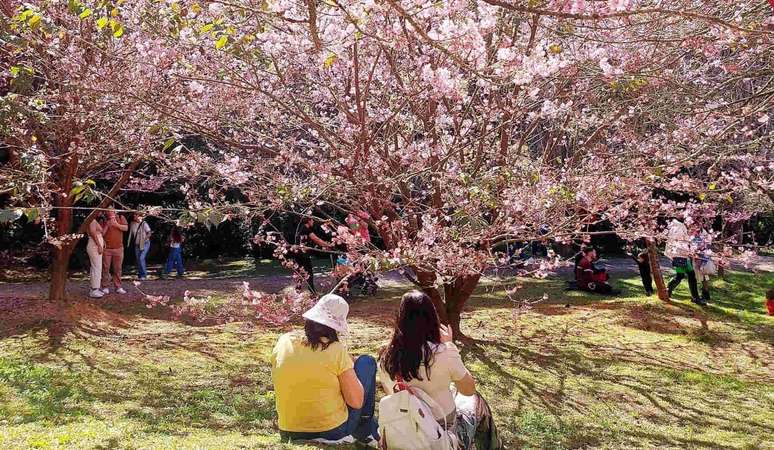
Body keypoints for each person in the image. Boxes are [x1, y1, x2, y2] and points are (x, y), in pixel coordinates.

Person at [378, 291, 501, 450]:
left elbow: (391, 394)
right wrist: (450, 346)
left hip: (403, 431)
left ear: (400, 319)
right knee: (477, 401)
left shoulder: (386, 356)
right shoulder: (444, 352)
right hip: (441, 433)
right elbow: (468, 390)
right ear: (432, 318)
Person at [271, 294, 379, 447]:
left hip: (288, 429)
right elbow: (356, 402)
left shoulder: (284, 341)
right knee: (367, 362)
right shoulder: (335, 350)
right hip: (331, 431)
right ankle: (365, 431)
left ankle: (367, 430)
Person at [665, 219, 704, 305]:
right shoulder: (679, 226)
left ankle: (668, 290)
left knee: (683, 275)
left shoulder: (678, 225)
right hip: (680, 255)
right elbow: (680, 242)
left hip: (681, 255)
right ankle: (695, 297)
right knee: (687, 275)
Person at [291, 217, 333, 294]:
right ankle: (312, 292)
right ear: (308, 221)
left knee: (300, 271)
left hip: (297, 253)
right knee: (309, 272)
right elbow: (316, 240)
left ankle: (298, 290)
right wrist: (329, 245)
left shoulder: (301, 228)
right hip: (303, 254)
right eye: (312, 220)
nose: (313, 222)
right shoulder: (306, 229)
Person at [101, 208, 128, 294]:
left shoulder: (121, 217)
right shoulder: (103, 220)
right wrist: (107, 225)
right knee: (105, 268)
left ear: (114, 211)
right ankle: (105, 287)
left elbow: (126, 228)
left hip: (119, 248)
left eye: (111, 210)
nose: (109, 212)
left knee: (118, 268)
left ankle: (118, 287)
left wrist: (116, 225)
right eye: (107, 211)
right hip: (107, 249)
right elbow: (101, 234)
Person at [86, 213, 105, 298]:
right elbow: (93, 233)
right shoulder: (92, 220)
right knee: (96, 267)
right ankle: (94, 289)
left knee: (97, 266)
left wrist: (103, 242)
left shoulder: (93, 220)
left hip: (95, 244)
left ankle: (95, 288)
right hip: (94, 245)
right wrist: (99, 245)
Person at [129, 212, 152, 280]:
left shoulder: (144, 224)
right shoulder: (132, 223)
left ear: (139, 216)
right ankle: (140, 274)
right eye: (134, 215)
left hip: (145, 243)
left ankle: (144, 275)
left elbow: (149, 233)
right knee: (138, 259)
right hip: (137, 244)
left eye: (136, 215)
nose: (134, 216)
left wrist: (144, 239)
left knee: (141, 258)